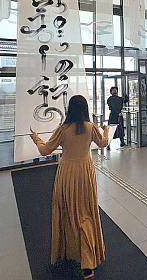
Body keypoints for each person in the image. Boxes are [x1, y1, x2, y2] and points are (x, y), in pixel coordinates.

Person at [30, 95, 110, 280]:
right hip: (85, 172)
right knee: (86, 214)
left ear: (70, 109)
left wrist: (36, 138)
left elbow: (45, 150)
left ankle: (68, 251)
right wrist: (106, 130)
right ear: (85, 109)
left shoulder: (63, 130)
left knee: (67, 211)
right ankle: (87, 262)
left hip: (66, 173)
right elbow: (104, 143)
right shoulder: (91, 128)